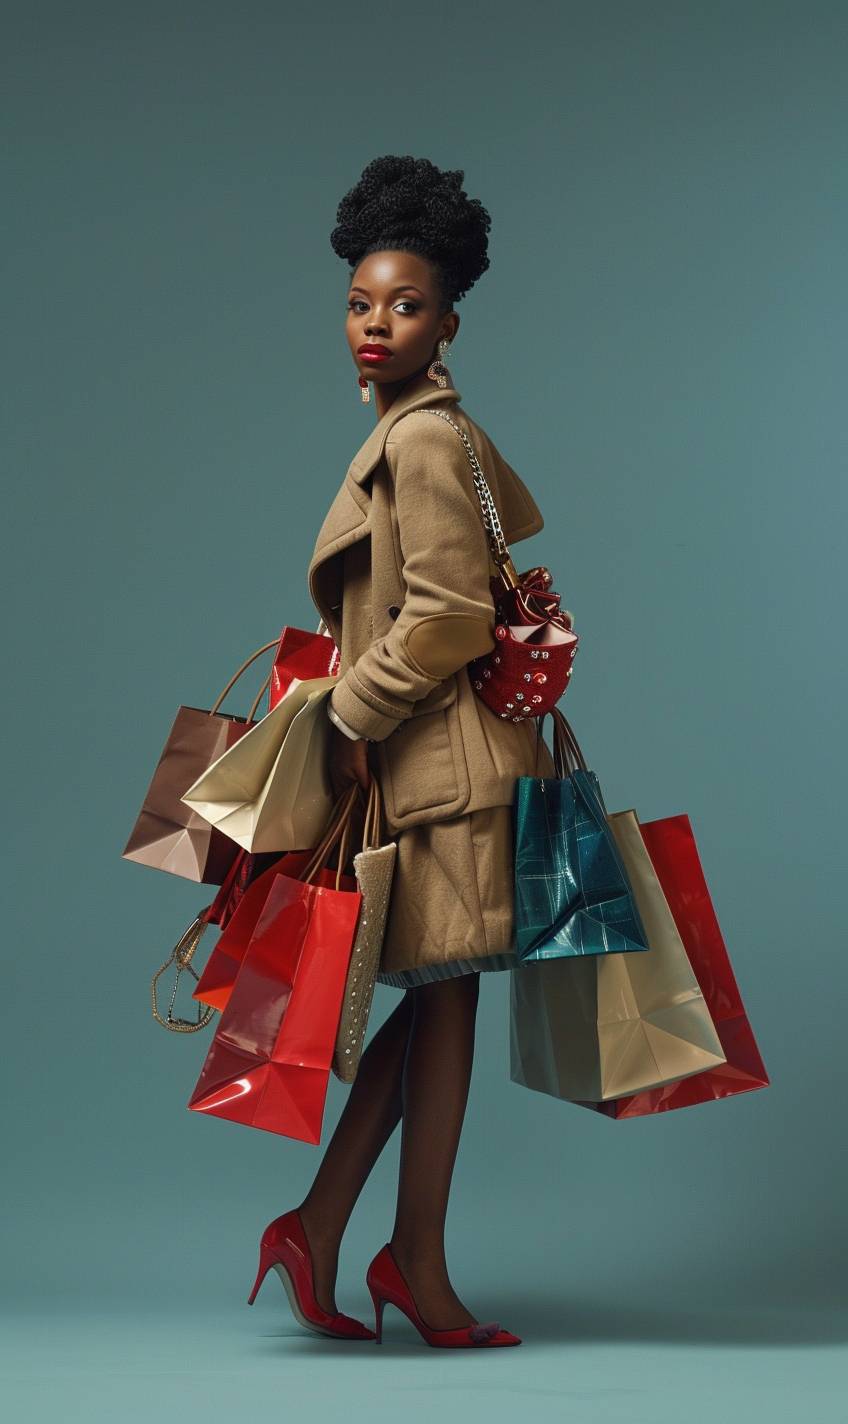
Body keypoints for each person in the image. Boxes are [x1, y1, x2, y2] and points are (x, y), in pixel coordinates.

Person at [247, 155, 556, 1349]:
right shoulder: (415, 432)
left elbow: (446, 621)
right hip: (432, 767)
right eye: (358, 303)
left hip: (442, 772)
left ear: (448, 319)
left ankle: (372, 1244)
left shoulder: (424, 441)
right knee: (440, 1004)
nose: (374, 324)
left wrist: (341, 715)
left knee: (445, 1001)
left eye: (404, 305)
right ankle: (362, 1242)